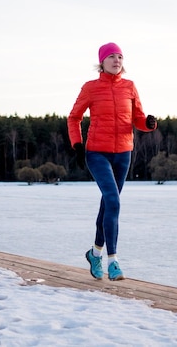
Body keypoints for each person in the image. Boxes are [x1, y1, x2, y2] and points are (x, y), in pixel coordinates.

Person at [67, 42, 157, 281]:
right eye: (112, 57)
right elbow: (74, 117)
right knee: (113, 201)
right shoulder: (91, 88)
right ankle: (113, 261)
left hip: (124, 153)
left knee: (108, 204)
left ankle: (94, 253)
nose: (117, 60)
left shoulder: (129, 87)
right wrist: (77, 144)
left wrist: (148, 124)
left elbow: (137, 118)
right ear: (102, 62)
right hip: (97, 153)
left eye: (120, 56)